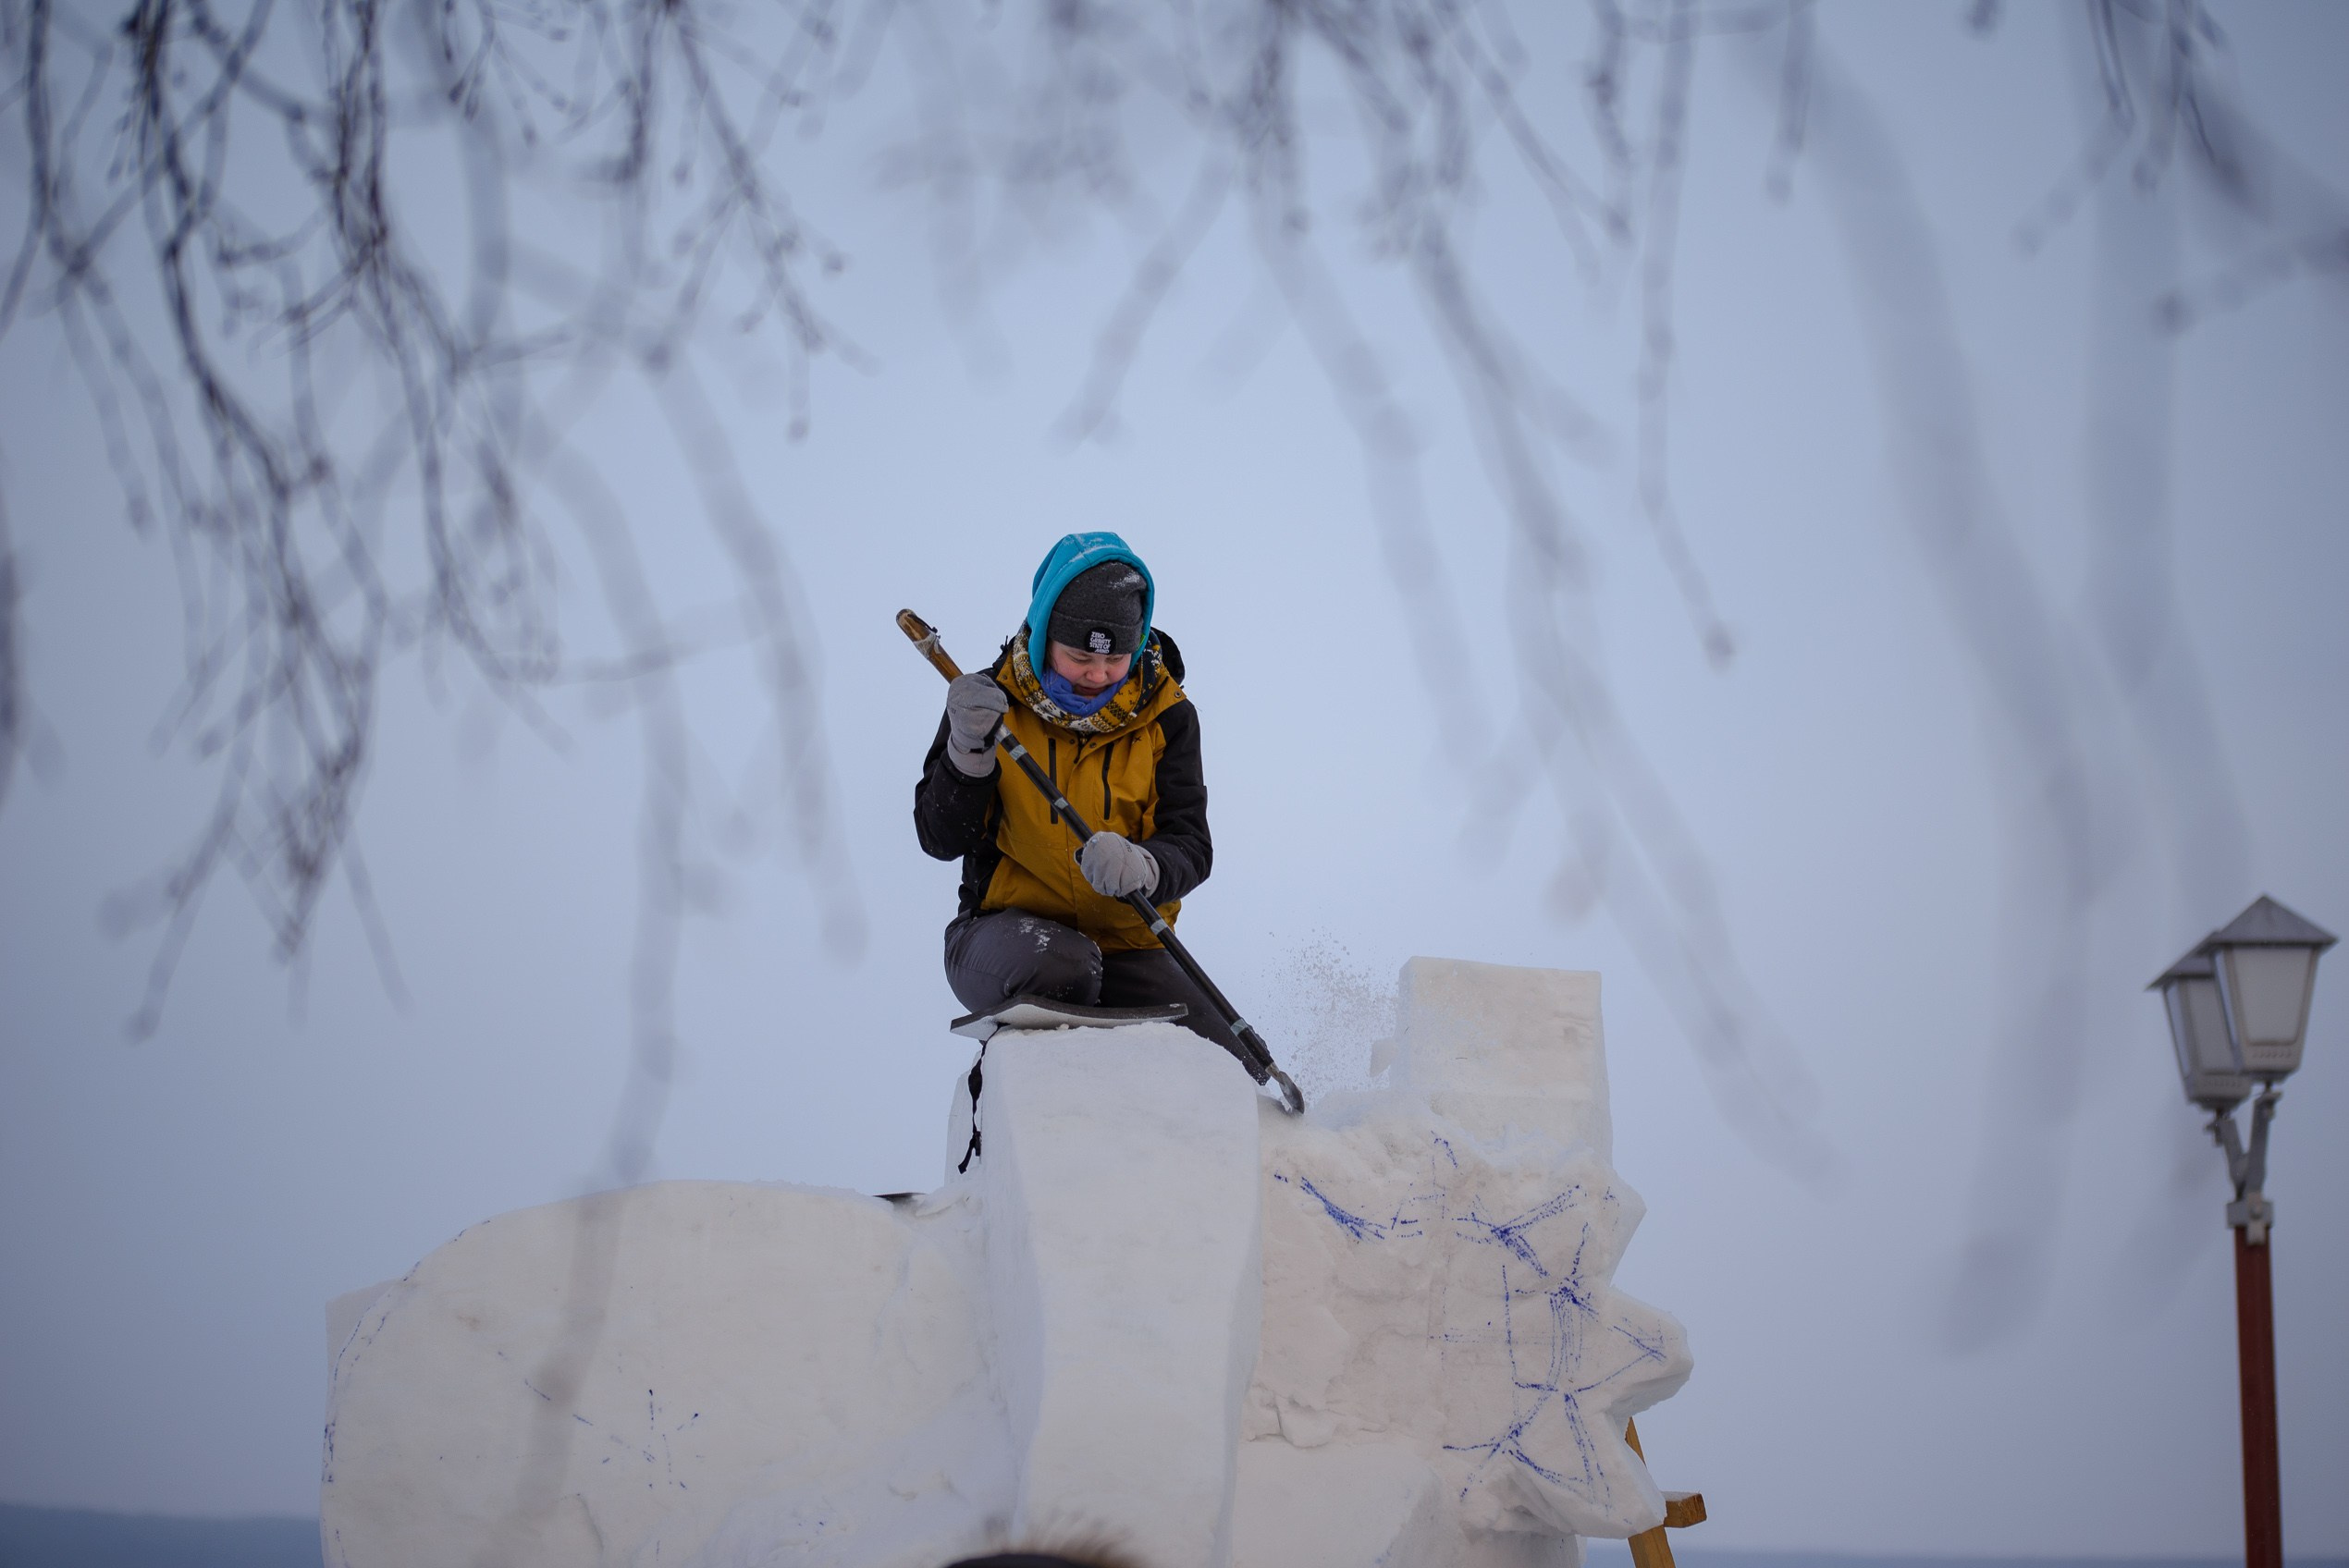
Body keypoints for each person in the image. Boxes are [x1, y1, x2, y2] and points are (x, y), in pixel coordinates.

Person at [913, 532, 1240, 1060]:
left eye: (1116, 659)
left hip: (1129, 948)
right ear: (1044, 636)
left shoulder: (1169, 716)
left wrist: (1147, 866)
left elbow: (1192, 844)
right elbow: (940, 838)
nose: (1098, 674)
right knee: (1065, 966)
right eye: (1078, 655)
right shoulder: (986, 705)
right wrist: (966, 750)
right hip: (1002, 939)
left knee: (1229, 1063)